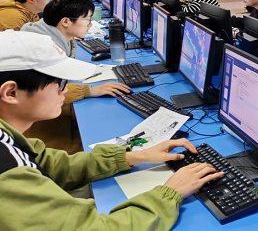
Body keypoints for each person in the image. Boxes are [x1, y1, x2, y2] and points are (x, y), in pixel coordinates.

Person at [0, 30, 223, 230]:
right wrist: (170, 193)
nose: (65, 91)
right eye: (60, 84)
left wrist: (137, 156)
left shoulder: (9, 140)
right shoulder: (7, 174)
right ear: (10, 93)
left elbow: (52, 165)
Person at [20, 0, 131, 151]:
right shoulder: (43, 51)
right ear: (65, 21)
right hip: (43, 136)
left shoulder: (55, 37)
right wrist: (88, 91)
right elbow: (41, 93)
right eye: (87, 19)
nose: (90, 25)